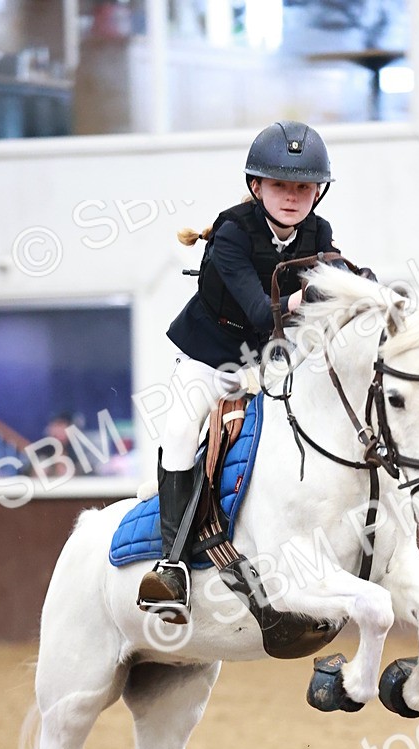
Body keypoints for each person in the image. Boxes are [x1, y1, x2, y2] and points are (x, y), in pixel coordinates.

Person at [137, 120, 344, 623]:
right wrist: (314, 294)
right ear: (257, 187)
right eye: (280, 185)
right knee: (181, 433)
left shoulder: (318, 232)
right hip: (212, 356)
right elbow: (259, 311)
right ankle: (172, 567)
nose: (292, 197)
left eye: (303, 187)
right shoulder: (231, 233)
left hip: (271, 359)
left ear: (317, 192)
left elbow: (333, 281)